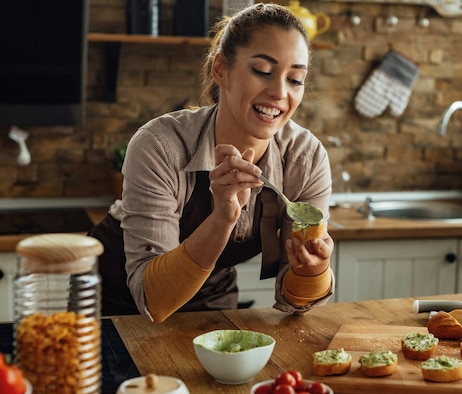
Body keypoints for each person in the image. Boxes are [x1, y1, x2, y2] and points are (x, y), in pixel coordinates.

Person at [89, 3, 335, 323]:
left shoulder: (305, 158)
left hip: (213, 294)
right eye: (262, 70)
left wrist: (313, 272)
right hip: (116, 303)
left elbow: (297, 301)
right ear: (221, 69)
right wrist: (222, 218)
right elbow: (154, 300)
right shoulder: (160, 145)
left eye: (295, 79)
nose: (279, 92)